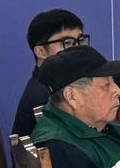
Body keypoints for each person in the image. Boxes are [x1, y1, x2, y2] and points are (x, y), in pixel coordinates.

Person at [12, 8, 86, 139]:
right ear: (41, 51)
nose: (78, 49)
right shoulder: (44, 95)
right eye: (67, 43)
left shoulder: (55, 85)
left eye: (80, 40)